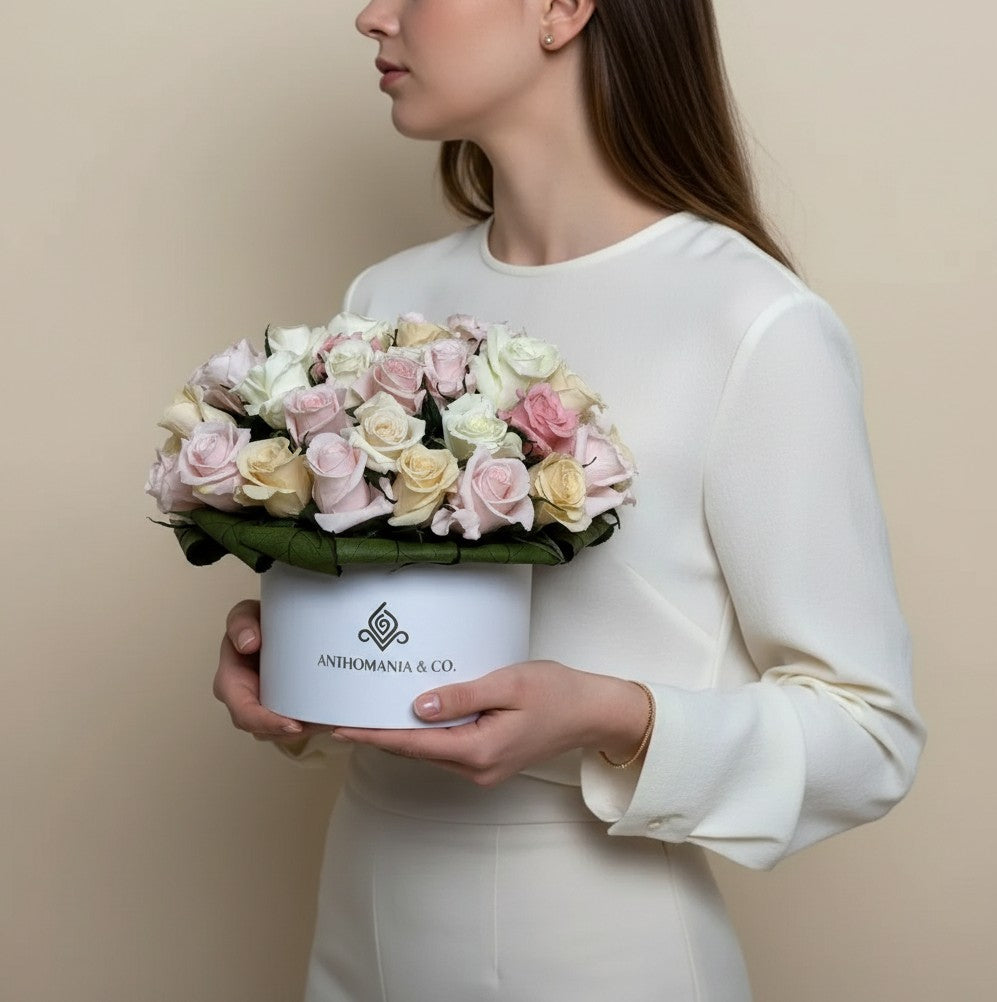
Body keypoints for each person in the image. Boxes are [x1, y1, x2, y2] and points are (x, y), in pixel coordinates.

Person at [213, 1, 925, 999]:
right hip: (363, 916)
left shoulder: (749, 321)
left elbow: (869, 738)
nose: (373, 16)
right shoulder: (386, 299)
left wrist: (611, 715)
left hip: (588, 941)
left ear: (561, 9)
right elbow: (392, 636)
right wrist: (296, 663)